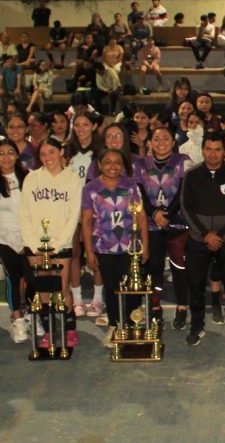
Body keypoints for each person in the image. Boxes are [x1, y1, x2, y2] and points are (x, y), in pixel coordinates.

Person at [179, 132, 225, 347]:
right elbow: (185, 208)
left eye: (217, 149)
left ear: (224, 151)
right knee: (196, 286)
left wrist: (221, 235)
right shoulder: (191, 175)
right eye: (208, 149)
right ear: (202, 150)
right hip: (198, 242)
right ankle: (196, 327)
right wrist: (205, 234)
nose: (213, 154)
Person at [20, 137, 83, 349]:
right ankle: (49, 331)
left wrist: (56, 244)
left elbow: (73, 216)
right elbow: (24, 213)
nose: (48, 158)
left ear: (61, 152)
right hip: (35, 245)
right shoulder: (31, 179)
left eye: (52, 152)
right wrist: (33, 243)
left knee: (62, 288)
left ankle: (70, 328)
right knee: (43, 289)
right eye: (43, 154)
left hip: (61, 244)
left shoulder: (73, 179)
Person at [81, 148, 149, 347]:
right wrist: (89, 250)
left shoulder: (131, 186)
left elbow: (141, 216)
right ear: (99, 165)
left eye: (117, 162)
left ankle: (132, 326)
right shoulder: (90, 189)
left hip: (131, 248)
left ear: (123, 165)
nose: (113, 166)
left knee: (132, 288)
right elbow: (85, 222)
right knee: (111, 289)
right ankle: (114, 326)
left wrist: (145, 245)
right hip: (104, 248)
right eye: (108, 162)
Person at [138, 126, 193, 331]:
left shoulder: (183, 160)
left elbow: (184, 191)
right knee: (154, 268)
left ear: (173, 142)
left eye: (166, 138)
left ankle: (181, 306)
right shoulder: (141, 165)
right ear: (150, 142)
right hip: (151, 225)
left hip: (177, 222)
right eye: (157, 139)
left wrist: (166, 215)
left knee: (179, 267)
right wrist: (154, 214)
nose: (161, 142)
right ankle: (154, 308)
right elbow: (140, 194)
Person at [0, 138, 31, 344]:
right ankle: (17, 320)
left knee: (31, 279)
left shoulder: (27, 177)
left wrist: (27, 238)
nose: (6, 157)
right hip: (6, 241)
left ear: (17, 155)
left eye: (10, 152)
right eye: (1, 153)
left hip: (29, 238)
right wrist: (14, 241)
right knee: (13, 279)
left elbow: (33, 209)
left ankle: (31, 315)